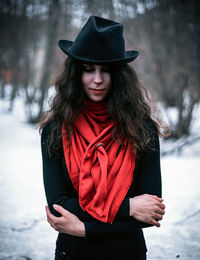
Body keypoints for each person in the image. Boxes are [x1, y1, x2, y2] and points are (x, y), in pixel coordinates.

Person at [40, 15, 166, 260]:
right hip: (73, 253)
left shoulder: (142, 129)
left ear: (119, 76)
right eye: (88, 70)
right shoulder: (55, 130)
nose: (97, 79)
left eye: (106, 70)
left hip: (127, 253)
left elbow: (151, 211)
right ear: (76, 74)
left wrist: (85, 229)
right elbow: (59, 206)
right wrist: (128, 206)